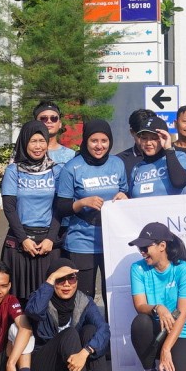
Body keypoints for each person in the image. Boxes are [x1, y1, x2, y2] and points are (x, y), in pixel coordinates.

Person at [22, 262, 121, 371]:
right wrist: (51, 278)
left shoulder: (83, 301)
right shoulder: (40, 298)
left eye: (71, 278)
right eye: (60, 279)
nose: (67, 284)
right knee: (70, 333)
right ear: (52, 281)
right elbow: (34, 311)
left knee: (91, 329)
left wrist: (85, 352)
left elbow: (104, 329)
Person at [54, 120, 130, 302]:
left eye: (104, 141)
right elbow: (61, 207)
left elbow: (125, 192)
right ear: (86, 141)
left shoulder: (117, 163)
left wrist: (124, 197)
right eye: (94, 141)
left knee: (113, 297)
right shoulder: (72, 167)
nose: (99, 146)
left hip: (112, 241)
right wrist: (82, 203)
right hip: (81, 242)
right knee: (83, 298)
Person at [127, 222, 186, 371]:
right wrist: (158, 308)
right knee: (141, 322)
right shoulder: (137, 268)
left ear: (162, 246)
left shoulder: (184, 269)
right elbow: (140, 306)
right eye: (140, 248)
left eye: (145, 248)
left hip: (182, 329)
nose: (142, 252)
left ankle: (169, 364)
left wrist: (166, 349)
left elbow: (183, 314)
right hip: (156, 330)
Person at [1, 120, 61, 298]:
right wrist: (23, 239)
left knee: (48, 299)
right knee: (18, 299)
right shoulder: (13, 170)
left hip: (48, 244)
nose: (38, 146)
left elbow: (60, 208)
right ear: (24, 142)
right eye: (33, 141)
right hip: (20, 243)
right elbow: (9, 208)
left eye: (42, 141)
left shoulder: (56, 170)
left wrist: (50, 238)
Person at [121, 111, 175, 199]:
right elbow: (129, 195)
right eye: (143, 137)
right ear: (132, 132)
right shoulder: (129, 165)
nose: (148, 142)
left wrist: (169, 150)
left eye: (154, 137)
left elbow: (180, 182)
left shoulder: (176, 156)